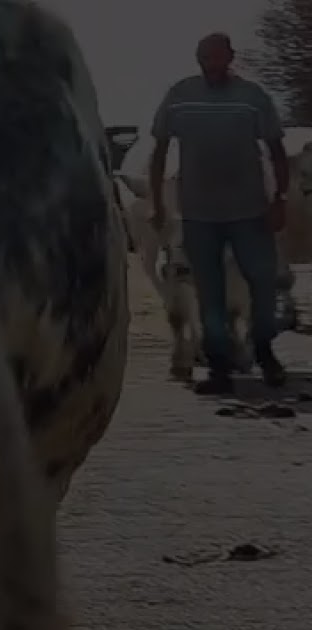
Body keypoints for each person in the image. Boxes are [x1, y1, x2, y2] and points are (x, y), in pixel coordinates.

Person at [149, 32, 289, 395]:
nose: (212, 62)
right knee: (208, 294)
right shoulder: (180, 96)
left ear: (230, 57)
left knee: (262, 285)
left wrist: (280, 200)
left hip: (250, 212)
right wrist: (158, 204)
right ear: (198, 58)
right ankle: (219, 369)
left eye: (219, 56)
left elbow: (276, 148)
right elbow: (160, 149)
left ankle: (264, 351)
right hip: (199, 214)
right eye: (206, 56)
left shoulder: (252, 97)